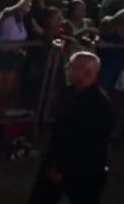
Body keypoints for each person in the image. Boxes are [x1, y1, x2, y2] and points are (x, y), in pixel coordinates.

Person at [28, 51, 114, 204]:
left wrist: (62, 168)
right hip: (58, 161)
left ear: (87, 73)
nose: (67, 69)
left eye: (72, 67)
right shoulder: (69, 93)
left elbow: (88, 143)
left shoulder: (99, 105)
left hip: (83, 170)